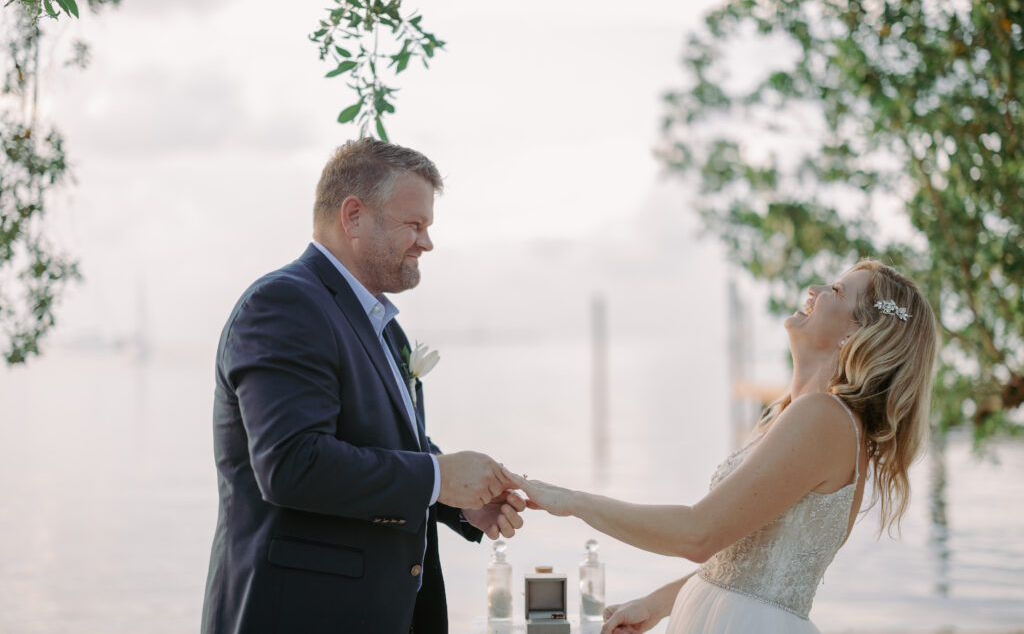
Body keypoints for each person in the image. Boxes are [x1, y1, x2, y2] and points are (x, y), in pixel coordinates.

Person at [201, 138, 526, 634]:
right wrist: (437, 477)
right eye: (413, 225)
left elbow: (379, 446)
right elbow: (293, 464)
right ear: (353, 217)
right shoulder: (285, 305)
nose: (426, 242)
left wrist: (457, 499)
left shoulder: (383, 326)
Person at [511, 259, 938, 633]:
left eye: (837, 291)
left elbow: (699, 533)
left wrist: (570, 501)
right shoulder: (795, 413)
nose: (815, 290)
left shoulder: (825, 418)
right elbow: (746, 559)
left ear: (861, 333)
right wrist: (658, 604)